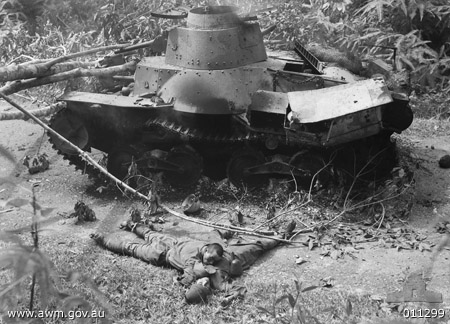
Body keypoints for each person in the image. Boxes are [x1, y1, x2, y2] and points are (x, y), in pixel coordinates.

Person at [91, 219, 287, 292]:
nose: (210, 261)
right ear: (206, 250)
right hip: (163, 250)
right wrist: (187, 281)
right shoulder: (195, 260)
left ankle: (103, 235)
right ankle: (129, 226)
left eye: (213, 260)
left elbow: (253, 246)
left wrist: (277, 238)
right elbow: (190, 275)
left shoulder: (212, 249)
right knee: (139, 241)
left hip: (166, 248)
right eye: (209, 258)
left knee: (133, 246)